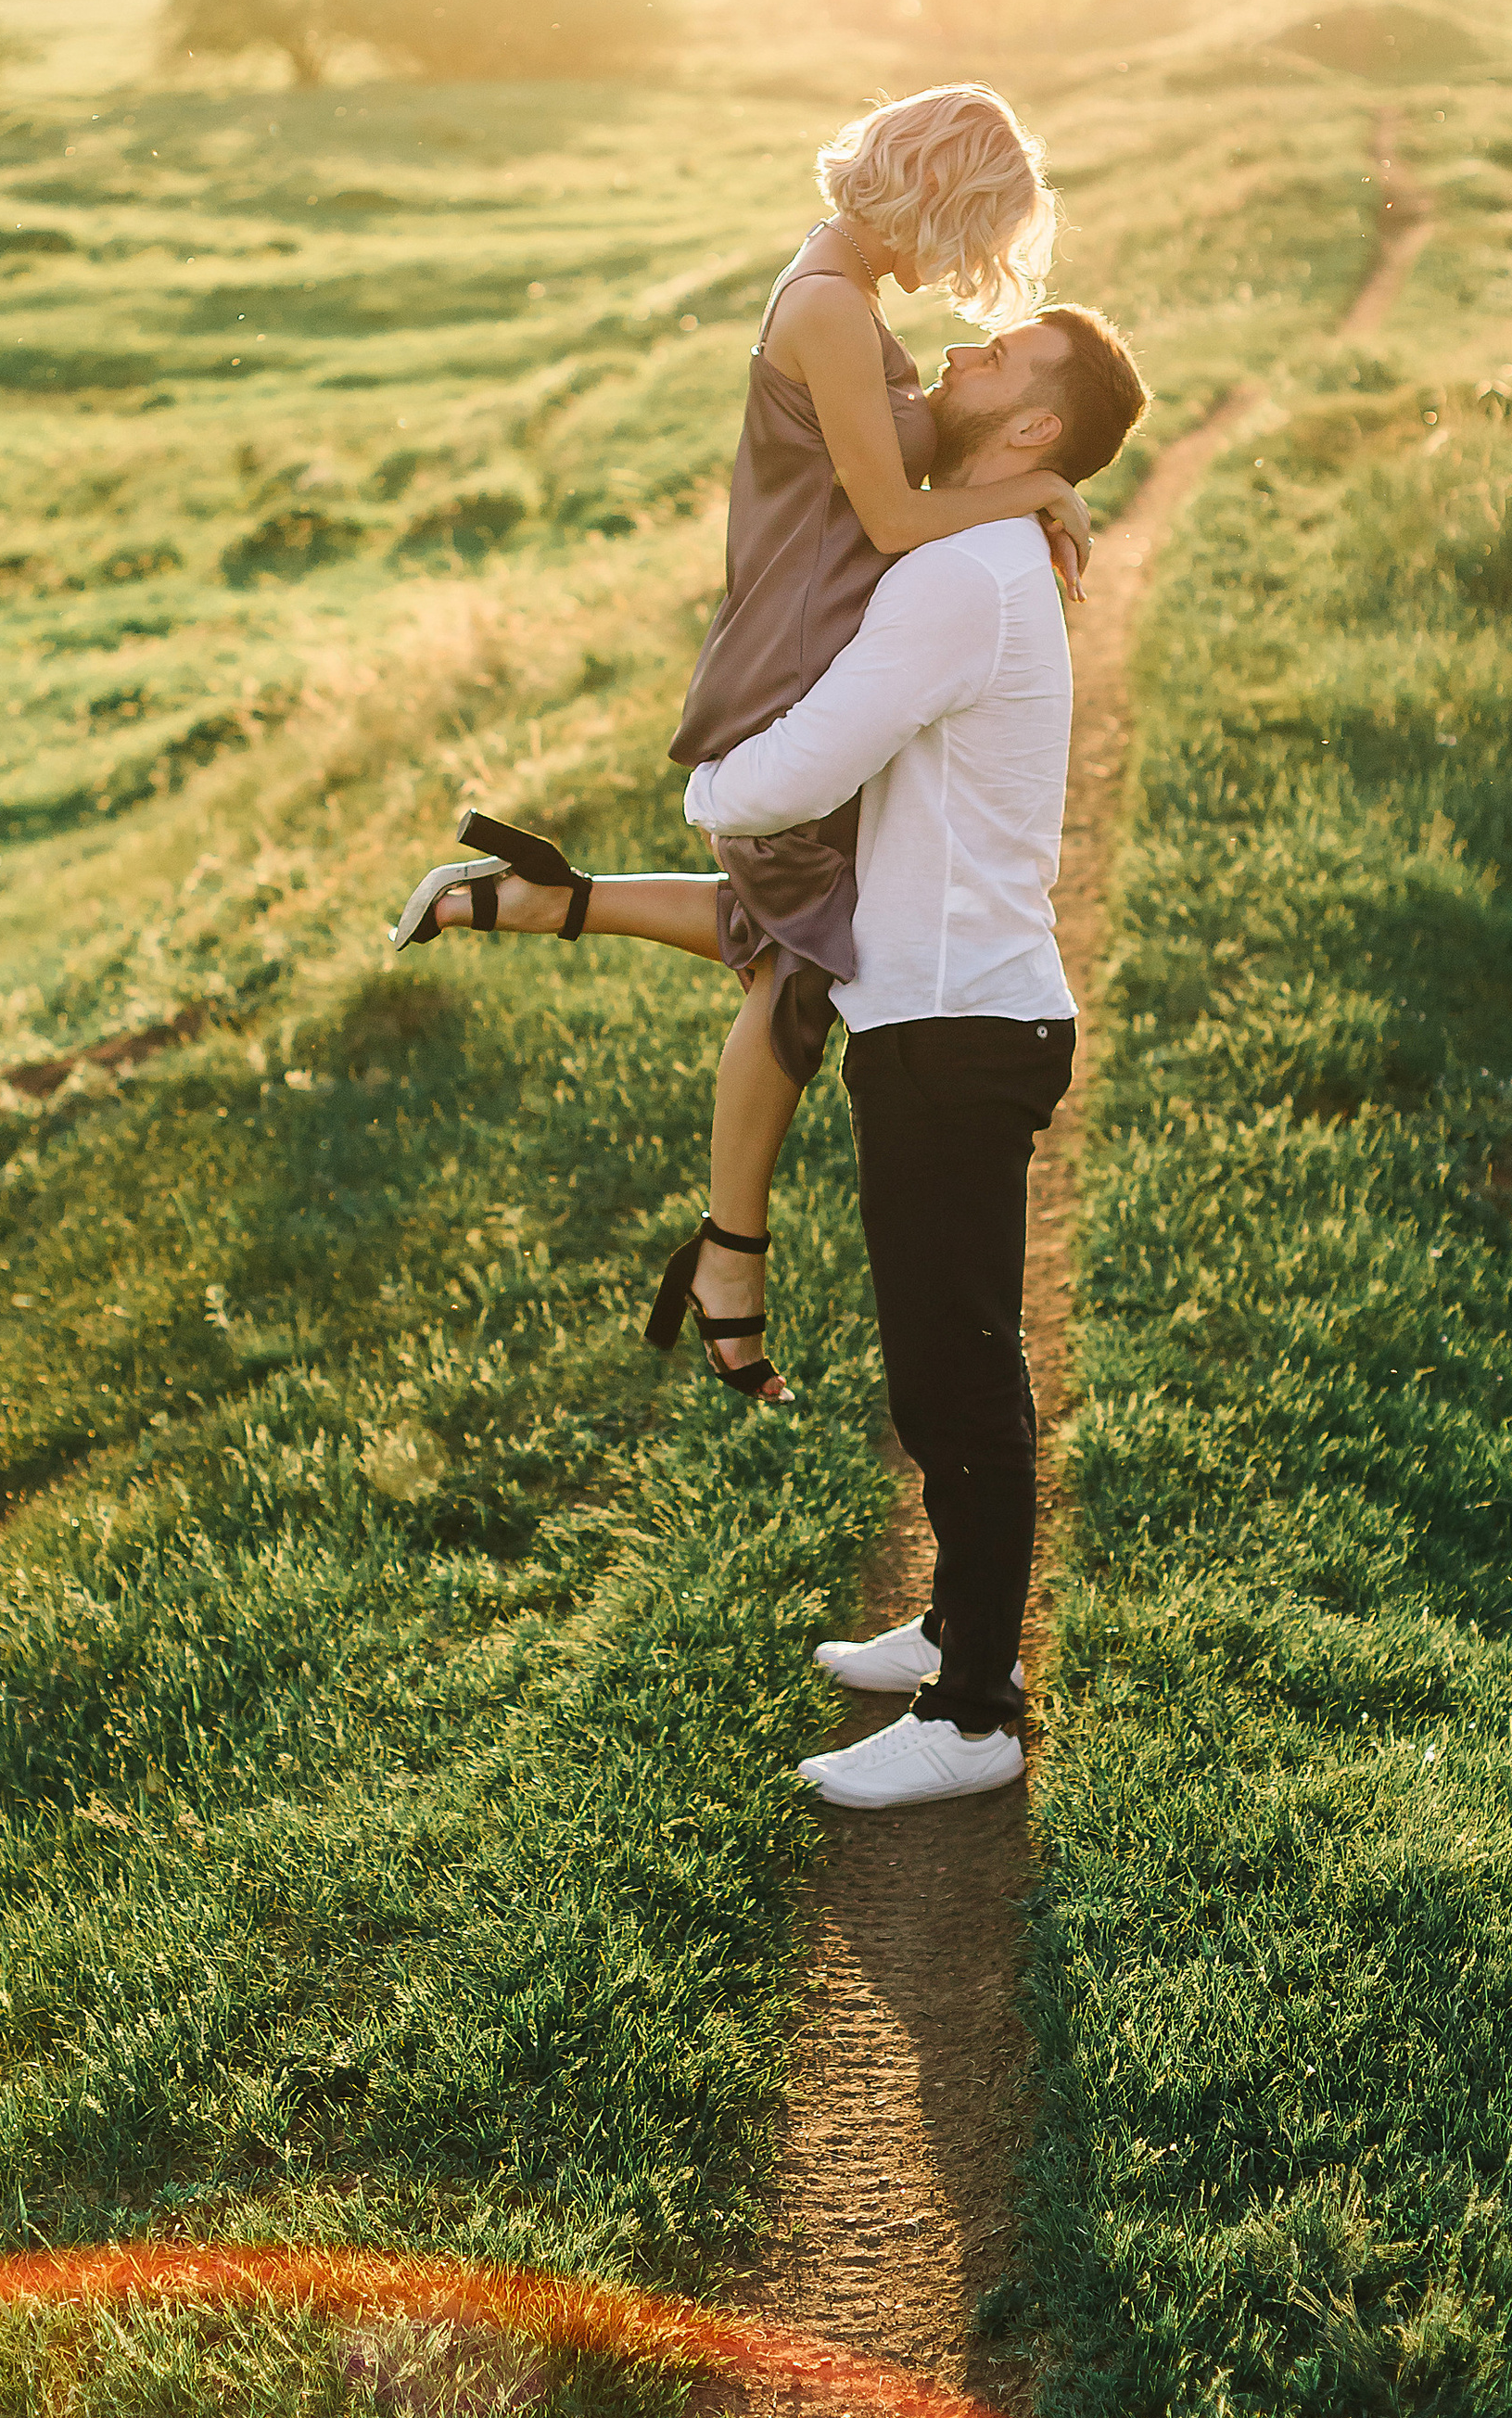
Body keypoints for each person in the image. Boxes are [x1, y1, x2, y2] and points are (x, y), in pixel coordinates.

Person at [389, 87, 1137, 1402]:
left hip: (817, 636)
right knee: (800, 964)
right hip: (795, 656)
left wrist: (1031, 493)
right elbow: (898, 521)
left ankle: (535, 909)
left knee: (790, 938)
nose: (967, 272)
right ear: (940, 198)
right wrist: (1045, 488)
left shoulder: (847, 293)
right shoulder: (831, 310)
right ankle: (729, 1256)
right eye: (973, 231)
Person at [686, 307, 1149, 1805]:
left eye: (996, 359)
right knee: (941, 1365)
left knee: (956, 1379)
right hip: (950, 1014)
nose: (958, 356)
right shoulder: (981, 554)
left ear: (1031, 434)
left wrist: (713, 788)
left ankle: (974, 1719)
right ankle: (956, 1626)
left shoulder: (959, 575)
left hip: (957, 1028)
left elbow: (810, 764)